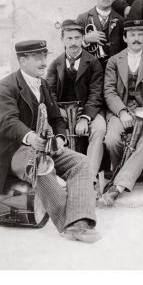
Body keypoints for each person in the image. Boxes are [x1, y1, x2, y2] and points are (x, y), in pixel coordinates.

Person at [0, 40, 100, 243]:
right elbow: (7, 121)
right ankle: (71, 224)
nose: (43, 61)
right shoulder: (5, 86)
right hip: (14, 152)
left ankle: (80, 219)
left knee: (81, 161)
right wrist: (30, 137)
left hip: (44, 146)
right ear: (22, 60)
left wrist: (59, 138)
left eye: (44, 56)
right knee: (40, 164)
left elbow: (56, 118)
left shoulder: (43, 83)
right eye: (37, 57)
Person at [100, 20, 143, 207]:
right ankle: (128, 172)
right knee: (111, 140)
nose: (136, 39)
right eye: (132, 35)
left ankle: (117, 187)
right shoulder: (113, 61)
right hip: (120, 111)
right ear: (125, 38)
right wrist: (122, 112)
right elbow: (109, 91)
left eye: (140, 34)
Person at [45, 20, 107, 196]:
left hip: (89, 111)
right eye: (69, 38)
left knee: (100, 130)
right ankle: (61, 178)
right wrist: (59, 113)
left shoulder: (93, 62)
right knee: (52, 134)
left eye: (77, 38)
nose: (73, 42)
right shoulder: (55, 64)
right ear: (62, 39)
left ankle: (89, 179)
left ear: (82, 39)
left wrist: (85, 117)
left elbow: (96, 94)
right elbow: (50, 94)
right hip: (63, 113)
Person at [78, 0, 125, 69]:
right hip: (89, 71)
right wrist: (85, 40)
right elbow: (72, 47)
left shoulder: (121, 21)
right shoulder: (83, 19)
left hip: (113, 70)